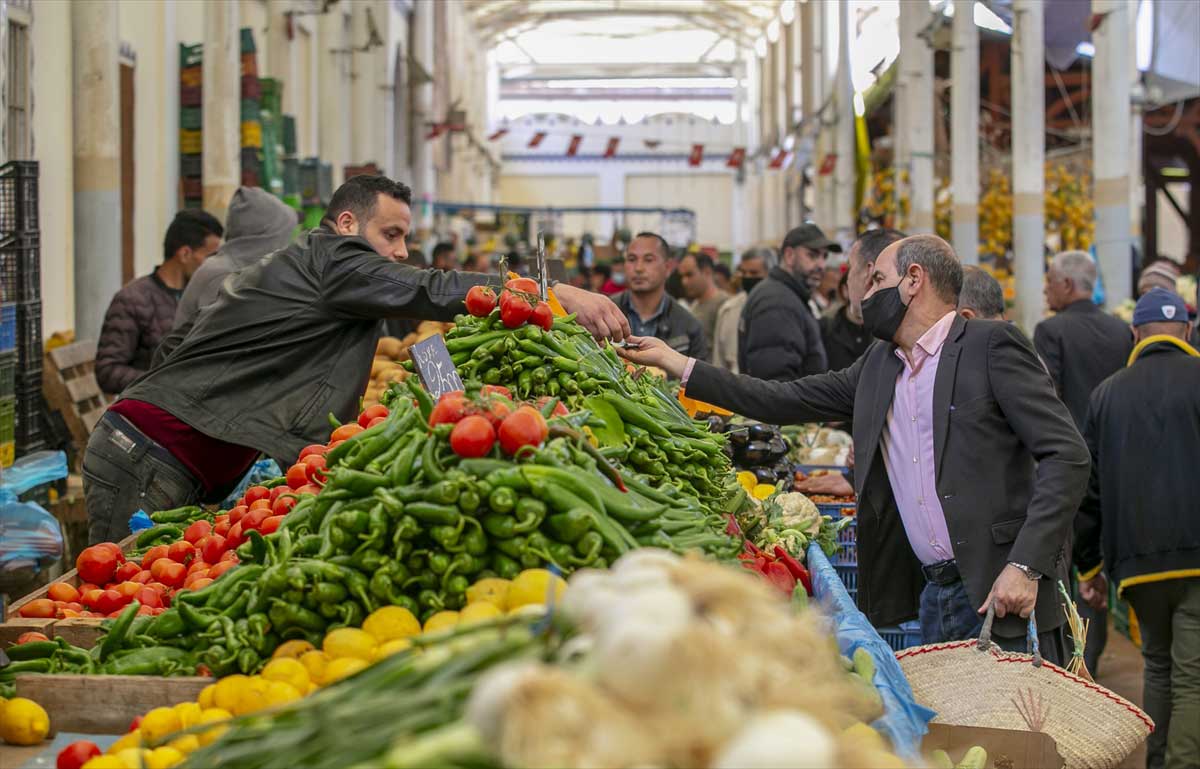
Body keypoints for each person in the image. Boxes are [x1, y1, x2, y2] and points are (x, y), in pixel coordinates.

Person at [82, 175, 628, 543]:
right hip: (150, 454)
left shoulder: (318, 275)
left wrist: (459, 404)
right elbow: (429, 287)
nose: (400, 250)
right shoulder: (333, 258)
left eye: (405, 238)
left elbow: (178, 346)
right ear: (346, 225)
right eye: (390, 234)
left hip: (178, 455)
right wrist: (550, 293)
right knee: (118, 601)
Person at [621, 235, 1088, 661]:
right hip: (934, 591)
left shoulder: (989, 346)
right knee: (955, 738)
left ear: (913, 281)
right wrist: (678, 363)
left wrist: (1025, 565)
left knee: (1016, 738)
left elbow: (1066, 455)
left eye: (876, 280)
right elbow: (782, 398)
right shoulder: (880, 366)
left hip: (999, 592)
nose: (865, 296)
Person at [1075, 288, 1200, 769]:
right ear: (1187, 330)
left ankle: (1156, 759)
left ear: (1135, 333)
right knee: (1192, 675)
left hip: (1137, 564)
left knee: (1158, 664)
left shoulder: (1107, 393)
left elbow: (1090, 489)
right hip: (1196, 560)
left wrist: (1090, 567)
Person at [1033, 250, 1130, 675]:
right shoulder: (1120, 331)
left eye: (1050, 281)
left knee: (1066, 559)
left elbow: (1044, 397)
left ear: (1068, 286)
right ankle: (1092, 655)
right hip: (1116, 462)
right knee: (1100, 560)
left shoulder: (1050, 331)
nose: (1046, 289)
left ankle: (1073, 656)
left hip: (1067, 464)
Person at [95, 209, 224, 395]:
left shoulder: (202, 296)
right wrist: (166, 383)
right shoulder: (132, 299)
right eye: (210, 257)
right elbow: (108, 372)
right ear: (185, 253)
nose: (215, 265)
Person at [164, 187, 298, 354]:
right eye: (284, 238)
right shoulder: (222, 275)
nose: (289, 246)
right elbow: (222, 350)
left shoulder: (245, 271)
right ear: (263, 241)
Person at [738, 223, 839, 380]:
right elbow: (776, 384)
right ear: (790, 255)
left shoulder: (788, 296)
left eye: (824, 256)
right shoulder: (777, 303)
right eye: (812, 255)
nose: (821, 265)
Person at [612, 232, 706, 362]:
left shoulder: (689, 326)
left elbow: (698, 378)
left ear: (667, 268)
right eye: (632, 259)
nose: (639, 268)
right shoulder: (605, 314)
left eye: (648, 260)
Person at [711, 247, 773, 372]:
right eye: (744, 273)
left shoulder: (785, 307)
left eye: (754, 273)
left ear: (769, 273)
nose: (748, 277)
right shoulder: (728, 310)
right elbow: (719, 363)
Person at [678, 251, 729, 357]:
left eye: (689, 275)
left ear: (707, 272)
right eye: (682, 276)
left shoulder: (724, 304)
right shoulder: (695, 305)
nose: (684, 282)